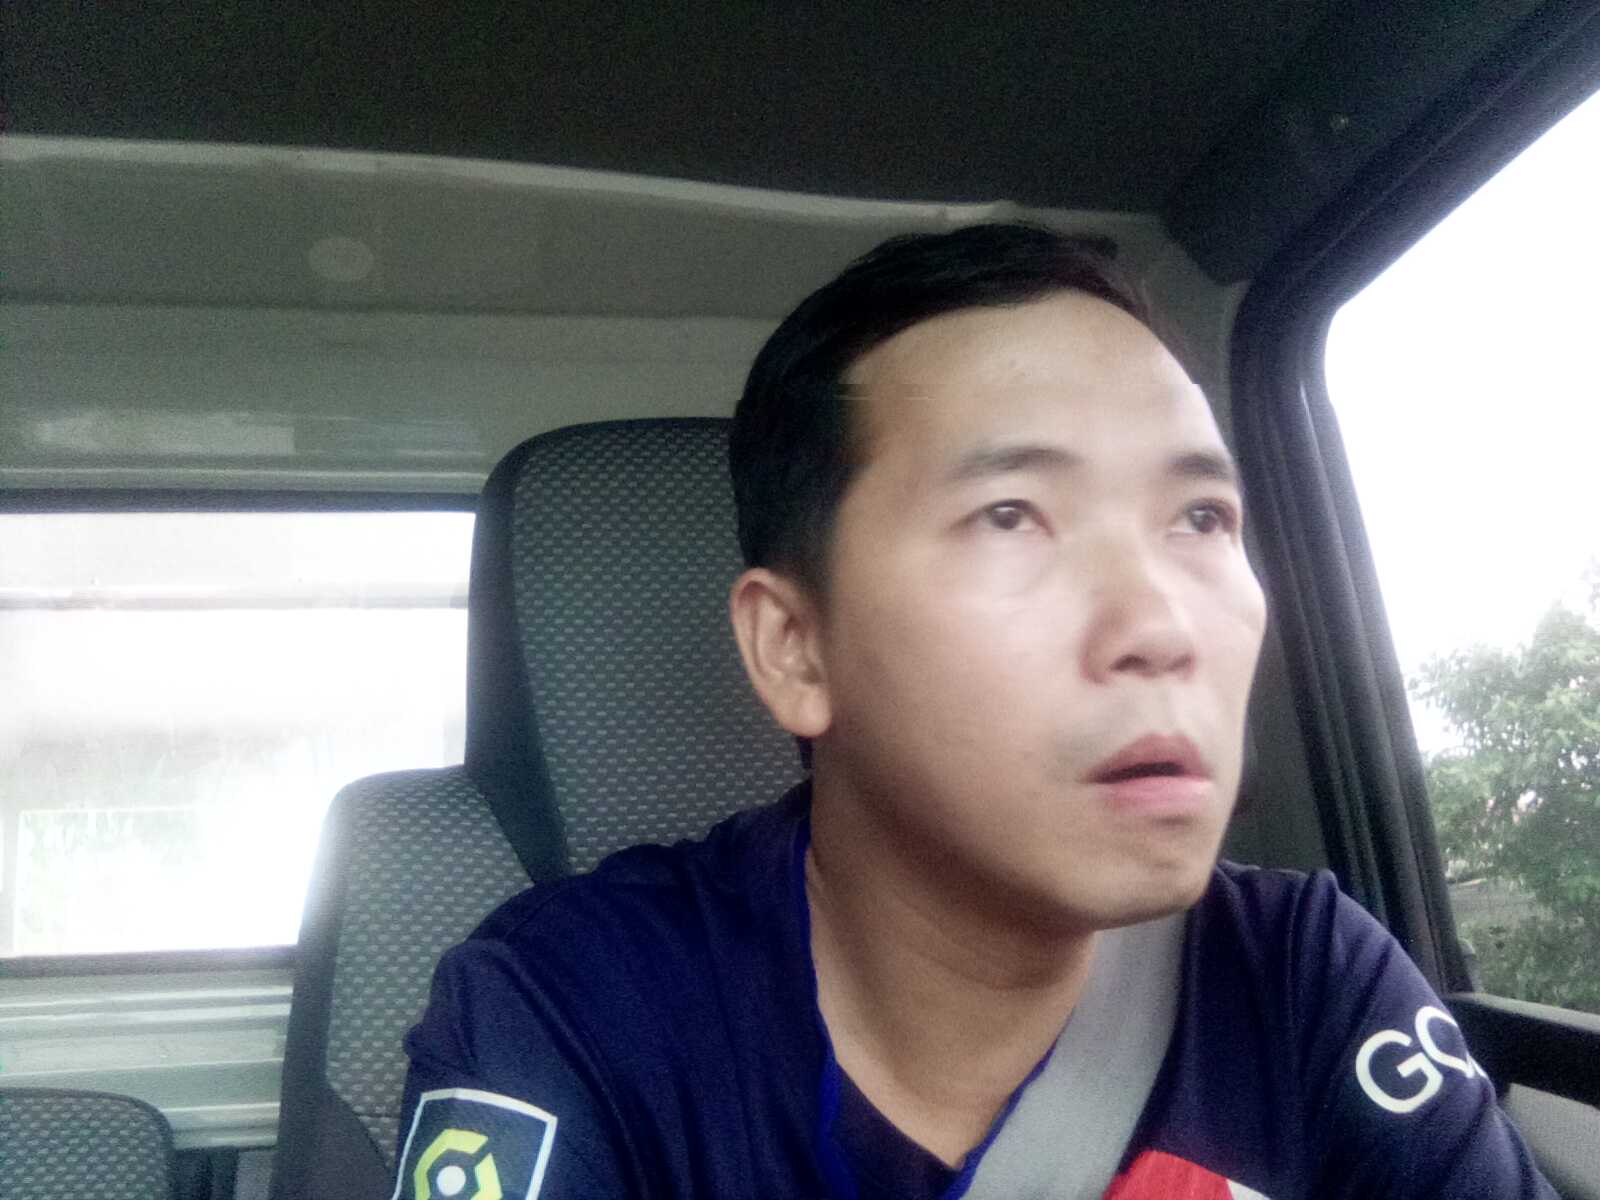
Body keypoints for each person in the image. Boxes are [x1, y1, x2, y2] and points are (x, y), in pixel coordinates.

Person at [394, 224, 1556, 1199]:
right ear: (794, 648)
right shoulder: (574, 1006)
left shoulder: (1299, 977)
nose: (1161, 625)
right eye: (1010, 516)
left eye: (1200, 519)